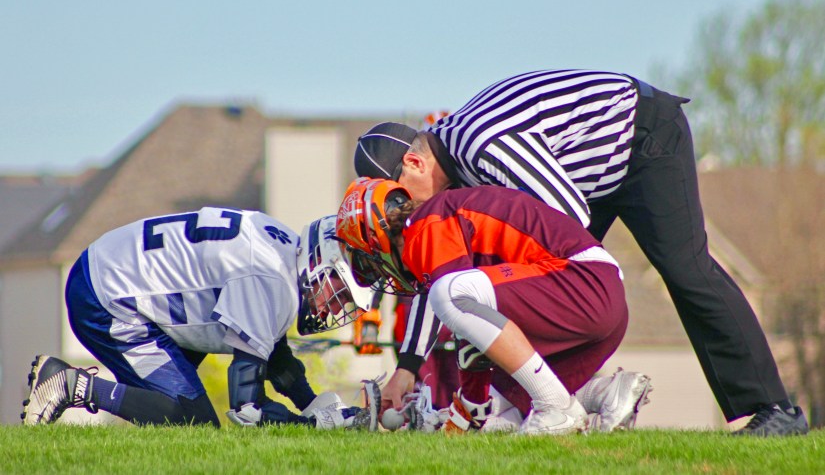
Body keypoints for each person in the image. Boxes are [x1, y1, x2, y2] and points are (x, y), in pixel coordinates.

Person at [351, 69, 808, 436]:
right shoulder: (456, 157)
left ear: (414, 162)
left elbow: (567, 215)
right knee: (518, 286)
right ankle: (584, 397)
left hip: (643, 139)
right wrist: (409, 365)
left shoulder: (481, 146)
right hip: (593, 172)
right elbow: (448, 275)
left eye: (399, 199)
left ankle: (774, 408)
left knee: (686, 270)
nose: (402, 216)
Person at [21, 211, 380, 430]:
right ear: (322, 259)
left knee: (176, 412)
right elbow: (247, 411)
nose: (337, 309)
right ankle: (68, 384)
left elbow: (271, 350)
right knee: (192, 420)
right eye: (342, 293)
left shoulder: (283, 246)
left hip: (113, 272)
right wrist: (310, 424)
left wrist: (309, 402)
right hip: (108, 295)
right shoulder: (273, 282)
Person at [337, 177, 638, 435]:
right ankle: (605, 393)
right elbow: (476, 328)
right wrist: (472, 410)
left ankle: (556, 409)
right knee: (501, 416)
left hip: (583, 284)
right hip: (597, 299)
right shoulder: (437, 219)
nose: (378, 273)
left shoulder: (427, 223)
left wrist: (470, 404)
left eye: (368, 262)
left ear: (376, 236)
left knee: (450, 293)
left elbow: (457, 308)